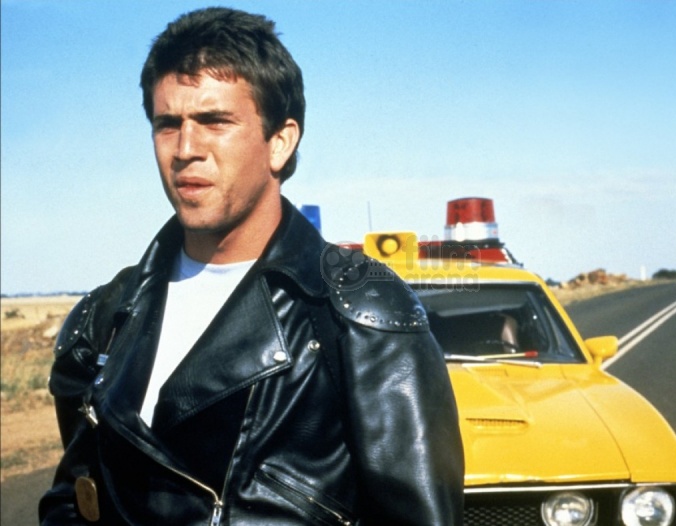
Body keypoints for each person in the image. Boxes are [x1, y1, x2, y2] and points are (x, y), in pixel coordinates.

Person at [39, 7, 464, 525]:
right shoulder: (104, 317)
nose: (186, 149)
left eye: (214, 122)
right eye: (167, 125)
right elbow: (76, 499)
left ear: (280, 142)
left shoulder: (359, 314)